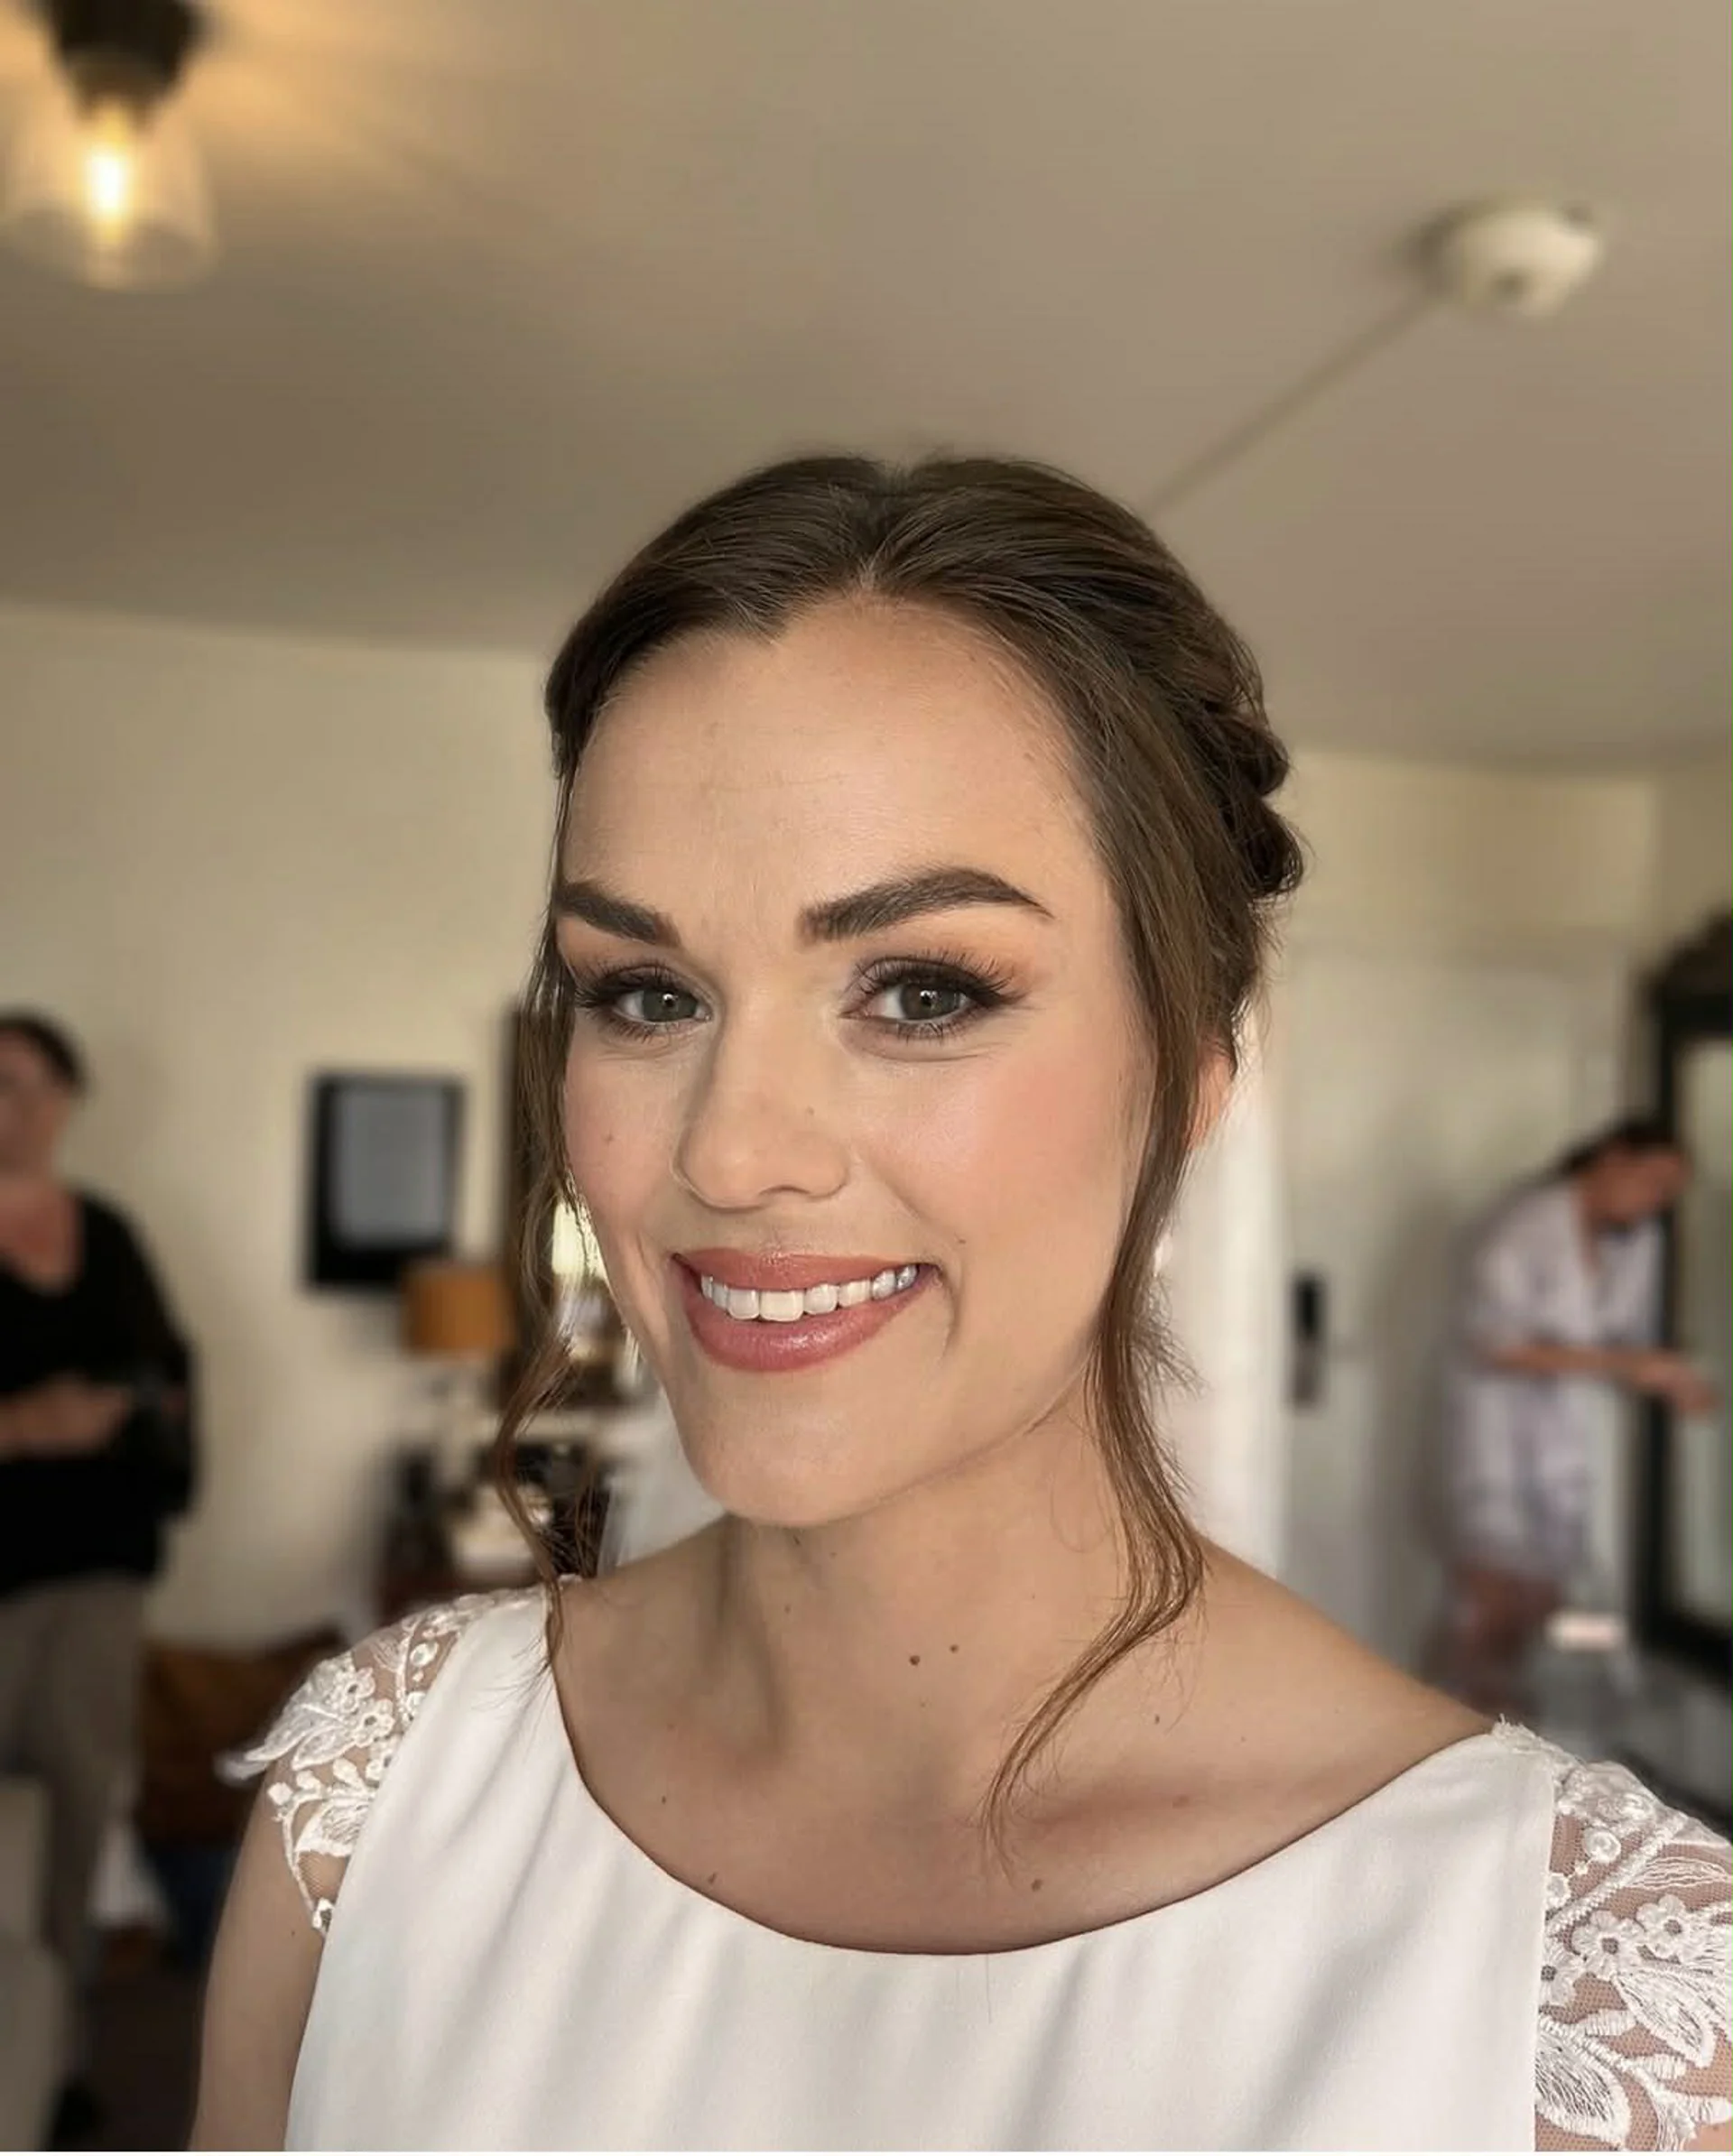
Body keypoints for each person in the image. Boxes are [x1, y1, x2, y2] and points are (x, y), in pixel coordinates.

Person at [196, 458, 1730, 2151]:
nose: (732, 1149)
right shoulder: (386, 1793)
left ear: (1192, 1068)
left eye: (921, 991)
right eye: (646, 992)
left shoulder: (1593, 2012)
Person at [0, 1013, 197, 2130]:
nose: (16, 1108)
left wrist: (136, 1406)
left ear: (68, 1101)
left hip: (98, 1573)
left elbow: (166, 1372)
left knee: (74, 1820)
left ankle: (52, 2059)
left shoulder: (108, 1233)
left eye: (35, 1085)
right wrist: (24, 1425)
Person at [1436, 1118, 1712, 1716]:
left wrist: (1672, 1377)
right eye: (1655, 1182)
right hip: (1497, 1429)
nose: (1658, 1202)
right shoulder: (1525, 1225)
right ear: (1612, 1158)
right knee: (1491, 1592)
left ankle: (1512, 1709)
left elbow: (1626, 1339)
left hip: (1569, 1434)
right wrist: (1628, 1365)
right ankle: (1466, 1714)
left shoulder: (1637, 1241)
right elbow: (1497, 1345)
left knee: (1544, 1595)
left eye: (1670, 1193)